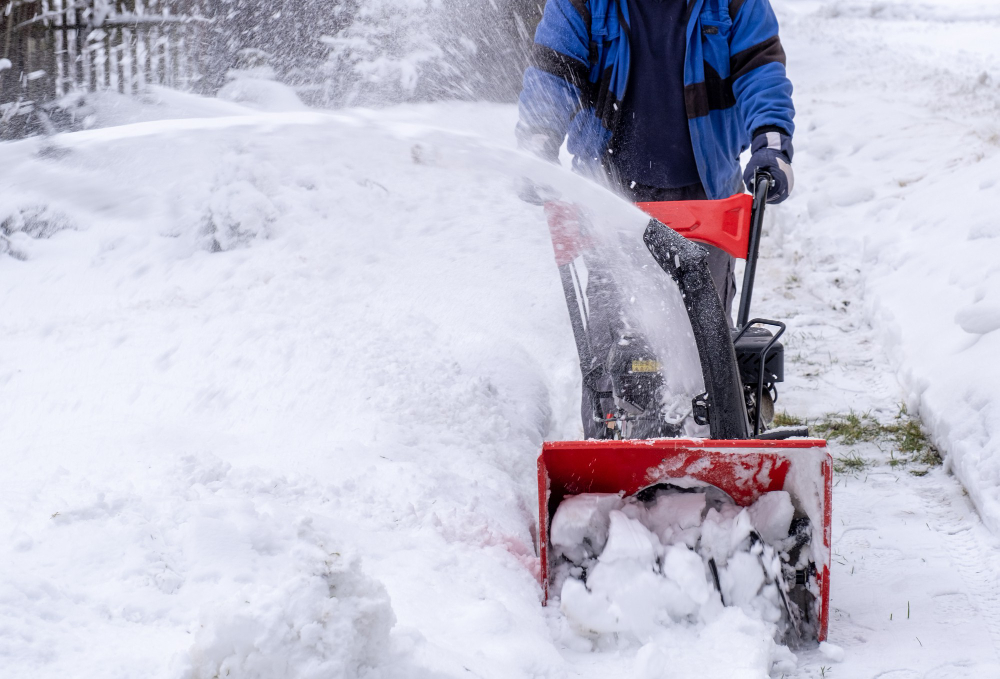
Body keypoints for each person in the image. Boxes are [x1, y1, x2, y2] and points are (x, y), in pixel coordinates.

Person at [516, 0, 794, 438]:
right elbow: (554, 72)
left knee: (708, 348)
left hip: (707, 200)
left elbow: (760, 71)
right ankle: (608, 452)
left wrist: (771, 142)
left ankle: (719, 454)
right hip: (609, 201)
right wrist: (538, 142)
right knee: (615, 345)